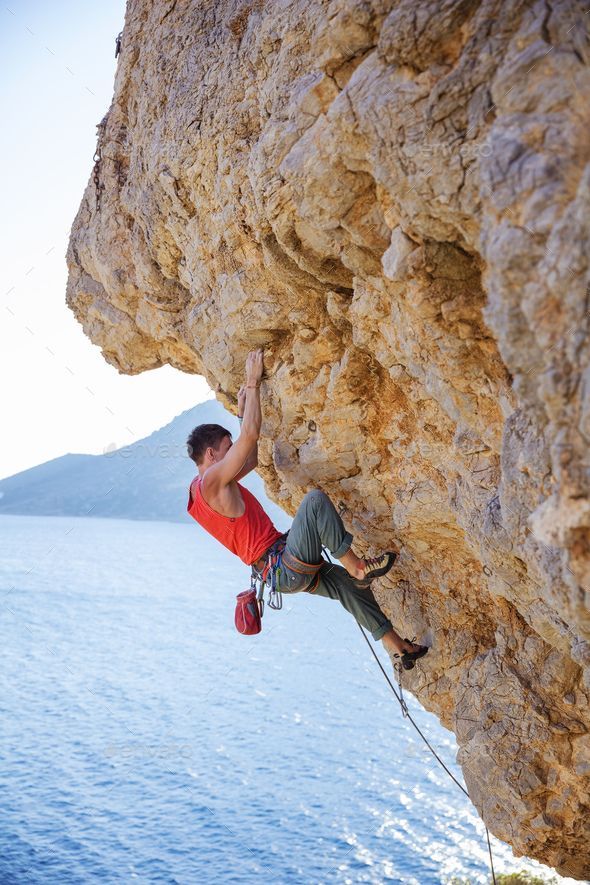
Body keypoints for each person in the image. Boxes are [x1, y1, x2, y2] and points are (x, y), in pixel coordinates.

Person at [186, 348, 428, 669]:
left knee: (344, 587)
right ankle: (358, 567)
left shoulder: (203, 491)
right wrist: (252, 382)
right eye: (226, 449)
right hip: (283, 564)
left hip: (280, 572)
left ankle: (400, 648)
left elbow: (251, 457)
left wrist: (244, 412)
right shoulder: (210, 481)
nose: (232, 455)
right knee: (314, 503)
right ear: (211, 455)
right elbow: (250, 436)